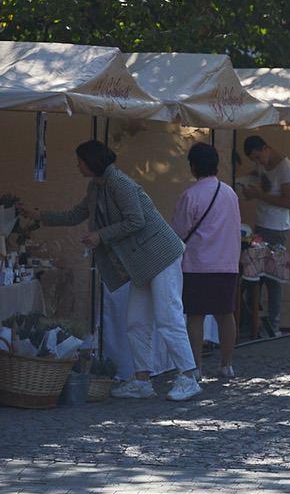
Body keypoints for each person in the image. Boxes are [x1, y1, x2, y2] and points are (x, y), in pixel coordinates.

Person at [21, 140, 200, 401]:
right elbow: (74, 215)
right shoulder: (96, 186)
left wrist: (100, 236)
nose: (78, 166)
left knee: (168, 316)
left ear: (92, 161)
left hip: (161, 256)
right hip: (141, 263)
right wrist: (37, 215)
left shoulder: (119, 183)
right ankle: (142, 381)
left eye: (80, 161)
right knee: (136, 322)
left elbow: (136, 220)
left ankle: (188, 376)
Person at [173, 143, 242, 383]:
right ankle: (227, 364)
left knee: (195, 316)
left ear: (193, 166)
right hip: (227, 262)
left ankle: (197, 368)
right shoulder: (230, 193)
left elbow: (179, 232)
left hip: (198, 263)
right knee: (226, 314)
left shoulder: (190, 195)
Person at [239, 134, 290, 334]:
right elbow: (258, 178)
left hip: (277, 228)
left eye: (258, 157)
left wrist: (258, 195)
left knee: (273, 276)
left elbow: (288, 202)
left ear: (266, 148)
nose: (258, 162)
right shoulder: (264, 166)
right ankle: (255, 320)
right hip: (262, 225)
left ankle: (274, 322)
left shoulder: (285, 168)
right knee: (255, 276)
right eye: (254, 159)